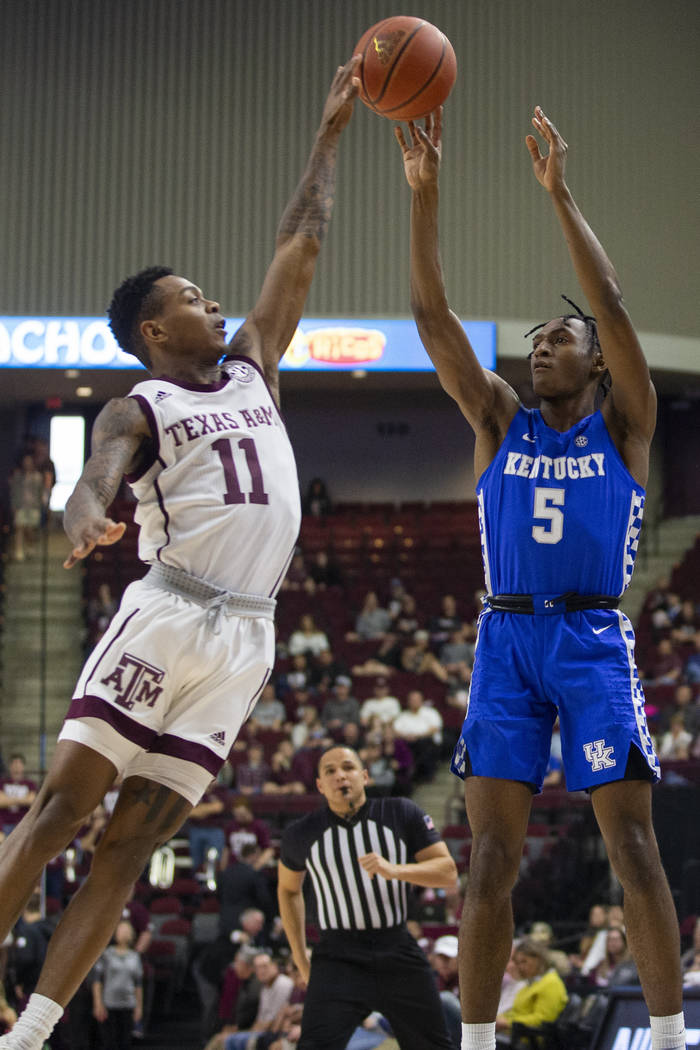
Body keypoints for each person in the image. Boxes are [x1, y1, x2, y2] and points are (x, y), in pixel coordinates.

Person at [0, 56, 360, 1050]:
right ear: (155, 329)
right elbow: (98, 471)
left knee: (131, 845)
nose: (212, 300)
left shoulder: (254, 365)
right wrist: (81, 510)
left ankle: (26, 1036)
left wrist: (330, 133)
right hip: (169, 608)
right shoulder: (139, 403)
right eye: (191, 296)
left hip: (246, 639)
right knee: (59, 817)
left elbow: (301, 243)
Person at [395, 104, 686, 1050]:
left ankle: (674, 1037)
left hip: (594, 637)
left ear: (598, 361)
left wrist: (561, 196)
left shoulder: (626, 427)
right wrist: (424, 198)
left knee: (631, 847)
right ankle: (477, 1044)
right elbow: (430, 317)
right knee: (490, 863)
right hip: (507, 640)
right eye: (532, 339)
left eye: (557, 337)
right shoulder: (496, 420)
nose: (539, 345)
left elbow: (612, 304)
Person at [277, 745, 457, 1050]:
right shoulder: (301, 833)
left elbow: (447, 872)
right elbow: (288, 889)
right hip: (337, 955)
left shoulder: (401, 812)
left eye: (347, 767)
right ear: (320, 785)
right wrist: (299, 954)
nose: (340, 776)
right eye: (330, 771)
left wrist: (395, 870)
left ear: (364, 776)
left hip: (396, 948)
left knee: (434, 1045)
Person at [91, 919, 143, 1050]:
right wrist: (98, 1003)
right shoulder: (106, 954)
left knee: (125, 1042)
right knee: (109, 1042)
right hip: (109, 1004)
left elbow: (138, 984)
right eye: (121, 929)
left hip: (128, 1004)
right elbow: (97, 980)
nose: (124, 933)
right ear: (115, 933)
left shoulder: (135, 956)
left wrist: (139, 1007)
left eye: (127, 930)